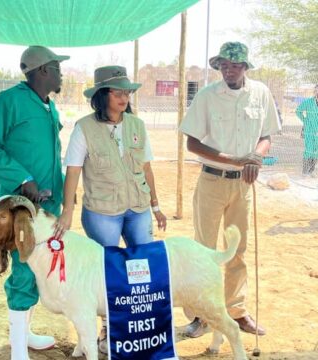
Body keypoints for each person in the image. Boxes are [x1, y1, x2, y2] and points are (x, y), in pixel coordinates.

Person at [54, 65, 167, 353]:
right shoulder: (84, 128)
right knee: (108, 271)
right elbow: (74, 171)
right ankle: (108, 331)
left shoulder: (137, 126)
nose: (124, 97)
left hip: (138, 207)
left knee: (143, 267)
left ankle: (141, 326)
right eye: (117, 92)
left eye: (127, 91)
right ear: (101, 96)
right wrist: (67, 210)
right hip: (102, 212)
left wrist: (155, 205)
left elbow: (147, 168)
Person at [179, 42, 281, 337]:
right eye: (224, 65)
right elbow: (192, 143)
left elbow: (266, 135)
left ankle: (236, 312)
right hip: (211, 181)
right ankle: (201, 315)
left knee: (238, 250)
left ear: (245, 67)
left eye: (235, 65)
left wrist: (256, 157)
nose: (229, 70)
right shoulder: (208, 96)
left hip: (243, 186)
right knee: (204, 251)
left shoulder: (260, 93)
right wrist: (236, 159)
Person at [0, 46, 69, 360]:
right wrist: (22, 177)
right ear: (43, 70)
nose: (61, 73)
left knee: (40, 266)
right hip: (19, 209)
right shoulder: (8, 102)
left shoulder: (49, 106)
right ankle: (17, 350)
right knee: (25, 269)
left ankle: (24, 333)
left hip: (48, 206)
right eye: (57, 67)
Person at [295, 84, 318, 177]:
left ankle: (311, 171)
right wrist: (305, 120)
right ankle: (305, 171)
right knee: (309, 150)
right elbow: (298, 111)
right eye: (316, 90)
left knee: (316, 151)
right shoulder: (308, 102)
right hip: (309, 130)